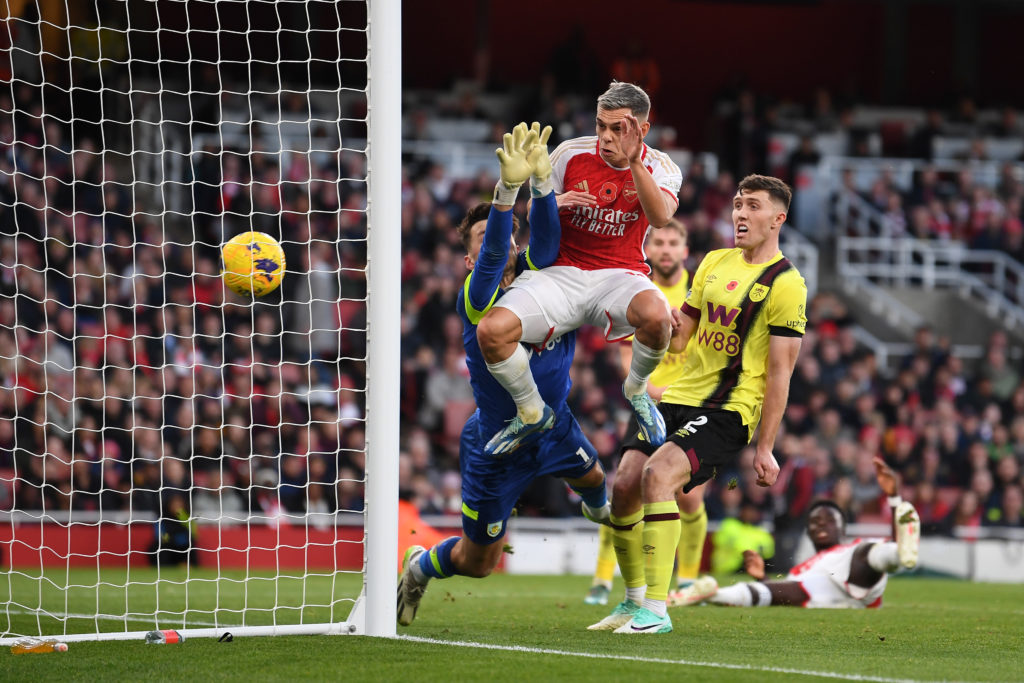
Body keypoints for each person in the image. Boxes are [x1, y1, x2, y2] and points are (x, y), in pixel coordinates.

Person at [397, 123, 612, 627]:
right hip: (498, 444)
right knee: (479, 563)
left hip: (555, 426)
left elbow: (547, 240)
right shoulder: (478, 296)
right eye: (484, 240)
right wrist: (504, 195)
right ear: (469, 258)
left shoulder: (544, 280)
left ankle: (616, 553)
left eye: (510, 234)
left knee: (598, 483)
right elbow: (495, 253)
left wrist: (542, 189)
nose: (504, 243)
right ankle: (419, 568)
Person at [600, 174, 807, 634]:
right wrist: (663, 324)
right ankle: (633, 602)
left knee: (659, 476)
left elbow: (780, 373)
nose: (740, 214)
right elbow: (682, 341)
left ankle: (657, 609)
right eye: (737, 204)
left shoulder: (787, 284)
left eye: (752, 206)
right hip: (678, 395)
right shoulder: (714, 261)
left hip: (727, 410)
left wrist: (766, 446)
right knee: (624, 486)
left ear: (778, 219)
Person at [475, 81, 682, 458]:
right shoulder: (570, 153)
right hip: (561, 273)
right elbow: (535, 215)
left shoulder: (662, 166)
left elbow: (661, 216)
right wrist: (555, 201)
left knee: (658, 316)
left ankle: (636, 390)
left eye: (617, 128)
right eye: (601, 125)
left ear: (641, 130)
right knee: (491, 331)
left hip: (621, 274)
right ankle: (531, 410)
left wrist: (635, 162)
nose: (604, 136)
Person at [584, 219, 712, 606]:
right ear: (648, 247)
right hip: (649, 404)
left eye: (675, 242)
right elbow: (627, 359)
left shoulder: (702, 291)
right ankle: (603, 580)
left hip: (695, 405)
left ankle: (686, 581)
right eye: (659, 242)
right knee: (625, 488)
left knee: (689, 499)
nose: (667, 249)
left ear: (685, 250)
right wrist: (657, 391)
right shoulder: (637, 289)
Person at [672, 456, 921, 608]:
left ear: (842, 528)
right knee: (784, 590)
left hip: (858, 581)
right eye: (814, 522)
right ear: (809, 535)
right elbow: (783, 592)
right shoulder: (806, 566)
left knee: (869, 553)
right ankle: (708, 594)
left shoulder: (851, 547)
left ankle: (898, 554)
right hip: (823, 595)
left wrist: (894, 498)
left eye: (827, 520)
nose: (819, 524)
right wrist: (761, 577)